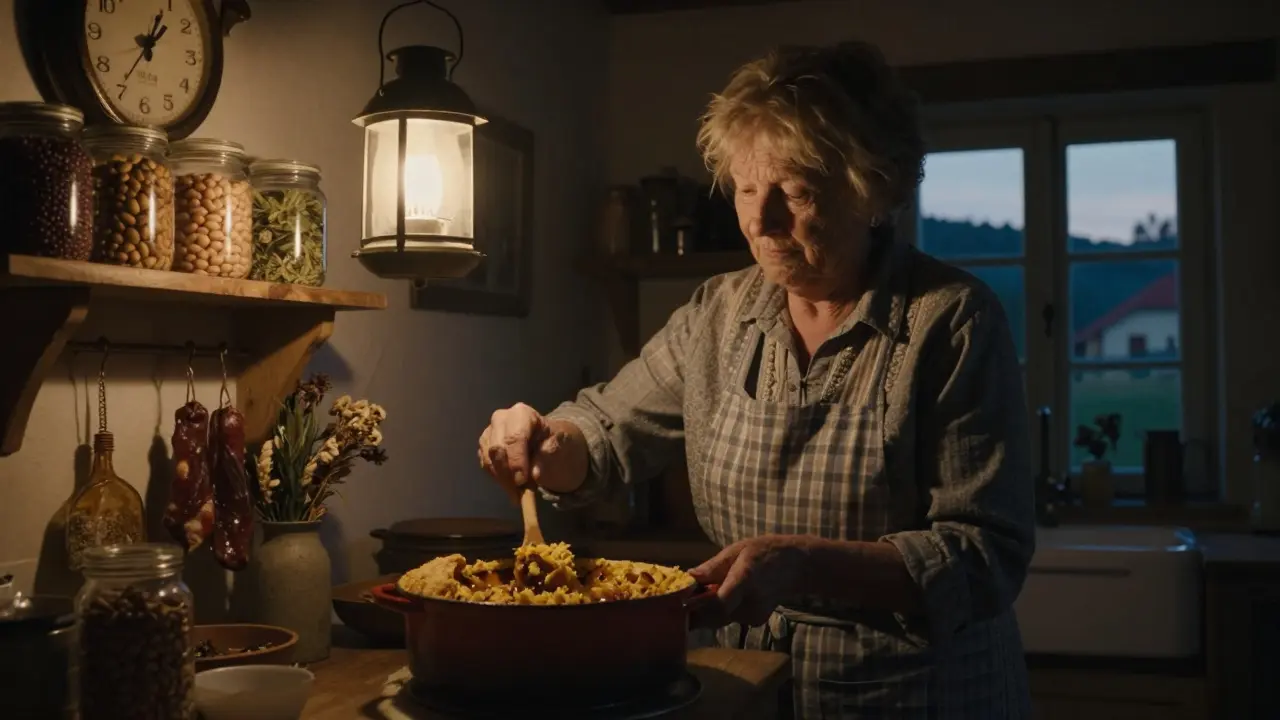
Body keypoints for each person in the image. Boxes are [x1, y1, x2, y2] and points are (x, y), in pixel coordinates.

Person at [478, 39, 1034, 719]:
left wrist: (804, 563)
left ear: (876, 191)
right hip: (750, 684)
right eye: (746, 187)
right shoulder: (721, 312)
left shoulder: (950, 321)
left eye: (795, 192)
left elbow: (985, 556)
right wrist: (544, 441)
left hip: (916, 694)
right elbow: (605, 434)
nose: (762, 221)